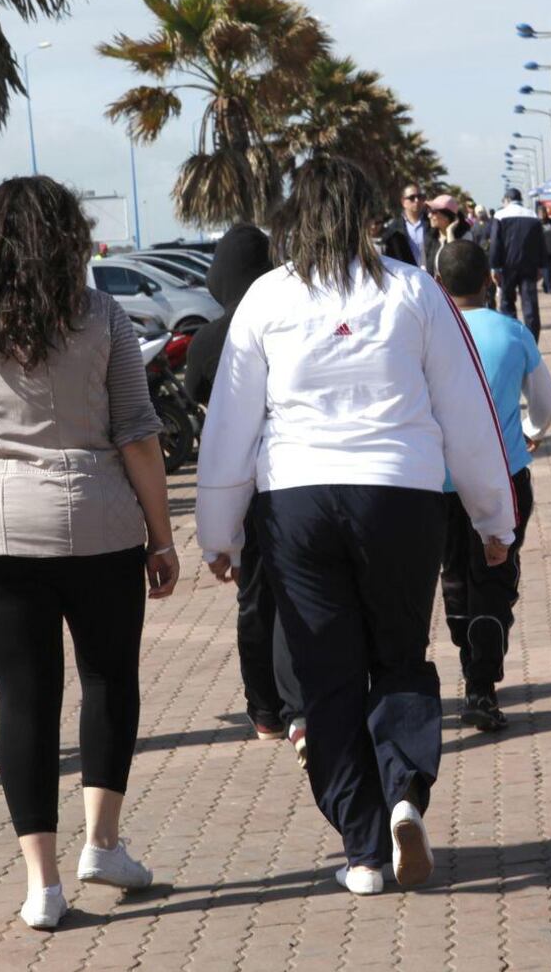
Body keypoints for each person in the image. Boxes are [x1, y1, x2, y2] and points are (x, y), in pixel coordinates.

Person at [196, 156, 516, 897]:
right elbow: (464, 411)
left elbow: (233, 426)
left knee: (326, 674)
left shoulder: (266, 300)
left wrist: (220, 533)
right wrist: (492, 516)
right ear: (367, 216)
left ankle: (364, 848)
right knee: (400, 654)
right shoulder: (414, 292)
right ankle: (405, 790)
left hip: (298, 503)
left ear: (290, 221)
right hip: (400, 496)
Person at [0, 176, 178, 931]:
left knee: (24, 700)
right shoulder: (102, 318)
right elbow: (137, 431)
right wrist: (161, 535)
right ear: (66, 243)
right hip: (99, 522)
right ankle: (105, 842)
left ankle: (43, 885)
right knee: (108, 679)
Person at [435, 241, 551, 731]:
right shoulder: (513, 331)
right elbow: (544, 405)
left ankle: (468, 659)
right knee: (495, 579)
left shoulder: (427, 334)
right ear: (490, 280)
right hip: (503, 475)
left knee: (455, 575)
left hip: (439, 483)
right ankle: (481, 686)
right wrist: (530, 433)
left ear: (438, 284)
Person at [184, 225, 294, 746]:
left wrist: (214, 537)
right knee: (302, 591)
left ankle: (265, 710)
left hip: (236, 480)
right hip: (290, 474)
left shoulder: (208, 337)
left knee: (255, 598)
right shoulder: (286, 315)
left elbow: (195, 395)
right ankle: (304, 700)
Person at [489, 187, 547, 341]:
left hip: (508, 266)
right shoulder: (532, 215)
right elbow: (541, 242)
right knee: (530, 304)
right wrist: (541, 266)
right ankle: (533, 340)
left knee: (507, 302)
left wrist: (494, 267)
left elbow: (495, 243)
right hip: (529, 266)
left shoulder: (500, 215)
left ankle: (512, 337)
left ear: (507, 199)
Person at [383, 184, 437, 270]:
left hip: (431, 276)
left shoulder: (433, 223)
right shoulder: (394, 229)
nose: (417, 200)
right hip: (407, 275)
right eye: (412, 198)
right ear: (403, 201)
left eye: (420, 197)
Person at [423, 195, 471, 276]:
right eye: (429, 211)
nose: (429, 215)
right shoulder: (431, 238)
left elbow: (456, 264)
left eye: (434, 212)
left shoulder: (465, 237)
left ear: (446, 216)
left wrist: (450, 232)